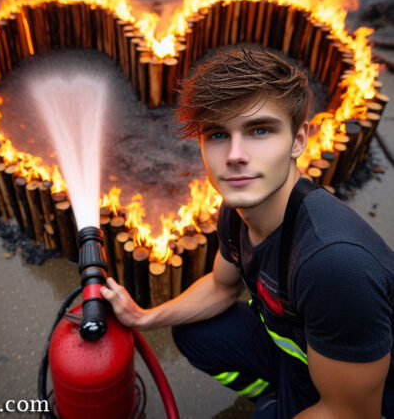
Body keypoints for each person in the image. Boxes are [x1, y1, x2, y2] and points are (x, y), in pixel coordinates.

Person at [100, 46, 394, 419]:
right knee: (193, 333)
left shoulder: (334, 264)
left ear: (299, 140)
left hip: (352, 396)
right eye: (219, 134)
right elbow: (222, 286)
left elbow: (349, 413)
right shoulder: (237, 213)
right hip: (294, 351)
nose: (235, 154)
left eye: (259, 130)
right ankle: (272, 395)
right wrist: (146, 317)